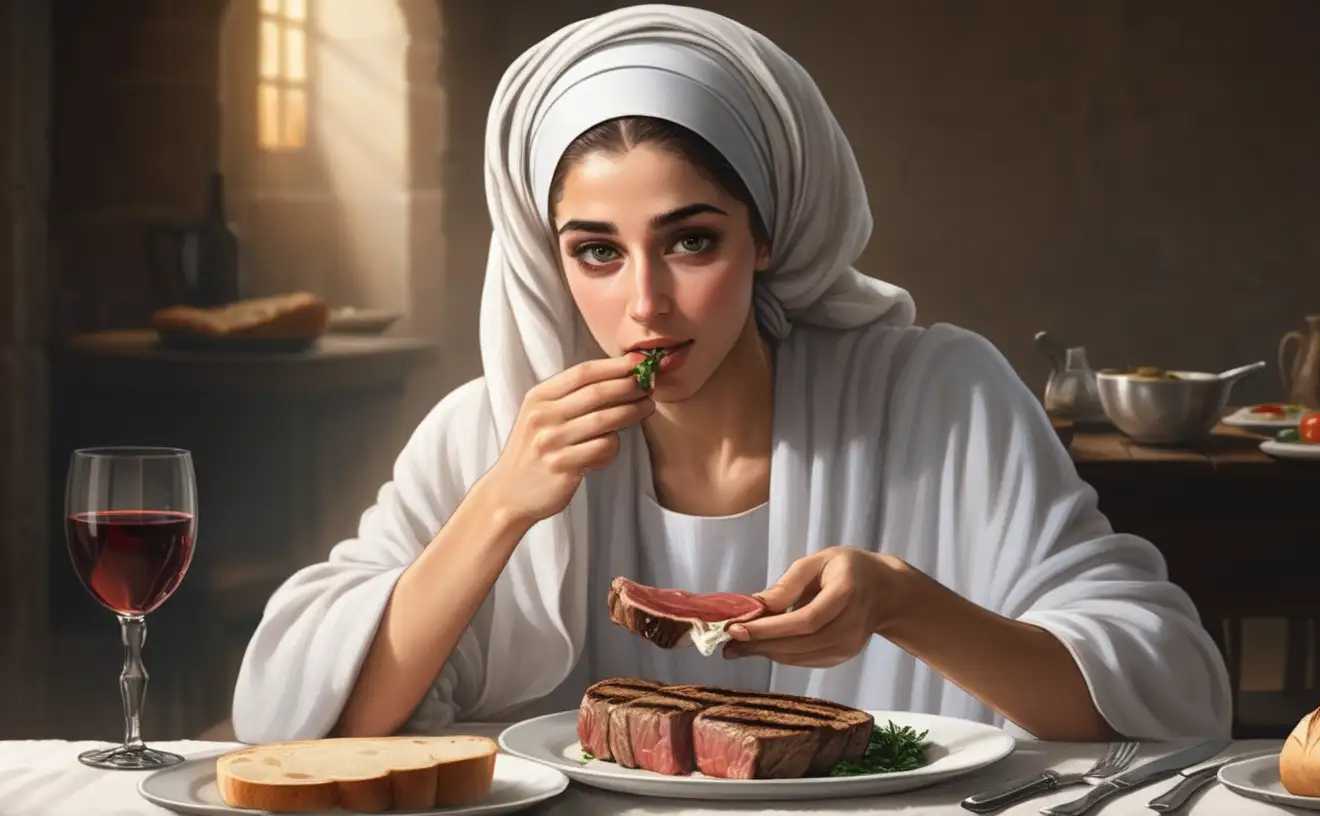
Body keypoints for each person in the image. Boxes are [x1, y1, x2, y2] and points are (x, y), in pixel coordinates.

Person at [231, 3, 1232, 746]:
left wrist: (900, 604)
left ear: (765, 236)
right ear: (551, 262)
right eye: (596, 251)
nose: (645, 305)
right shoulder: (490, 430)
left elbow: (1171, 691)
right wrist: (497, 507)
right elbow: (302, 726)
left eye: (691, 241)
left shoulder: (939, 395)